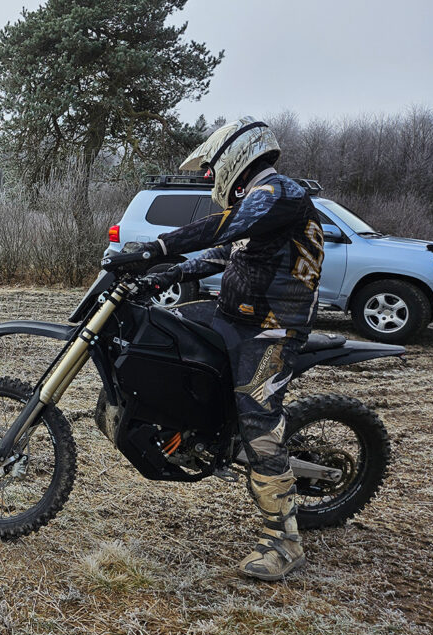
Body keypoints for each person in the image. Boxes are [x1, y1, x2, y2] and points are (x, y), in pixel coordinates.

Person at [124, 117, 325, 581]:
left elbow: (226, 227)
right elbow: (223, 253)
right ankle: (189, 433)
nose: (212, 179)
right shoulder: (261, 205)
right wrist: (167, 273)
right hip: (232, 316)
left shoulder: (281, 194)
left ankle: (285, 541)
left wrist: (157, 246)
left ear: (237, 155)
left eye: (213, 169)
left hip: (272, 329)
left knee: (257, 420)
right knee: (167, 337)